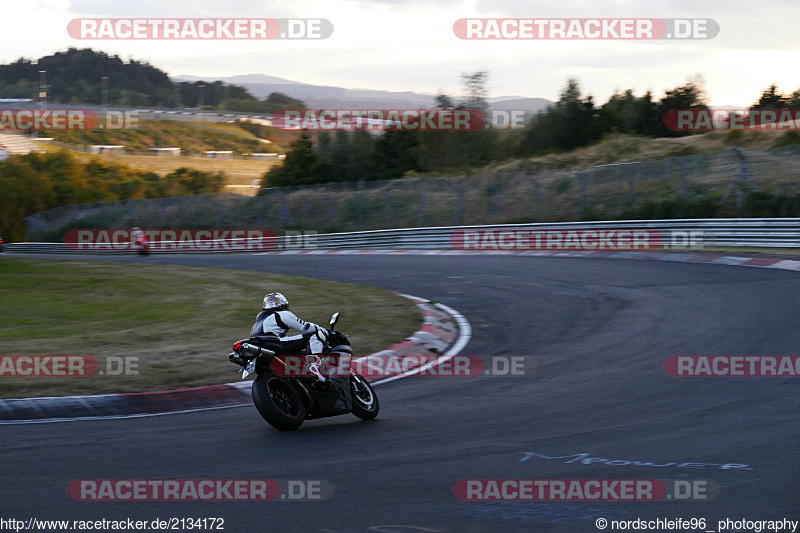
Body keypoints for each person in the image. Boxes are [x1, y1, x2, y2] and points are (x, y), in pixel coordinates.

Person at [250, 293, 327, 377]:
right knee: (314, 335)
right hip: (273, 343)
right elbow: (305, 327)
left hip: (259, 349)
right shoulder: (281, 313)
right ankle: (314, 366)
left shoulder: (256, 324)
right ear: (283, 304)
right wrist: (327, 332)